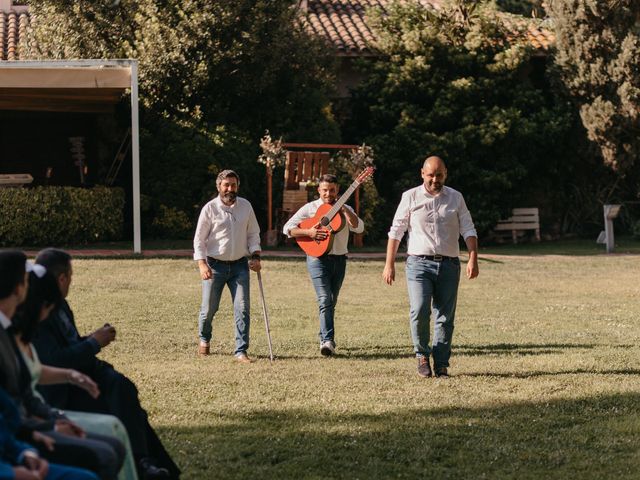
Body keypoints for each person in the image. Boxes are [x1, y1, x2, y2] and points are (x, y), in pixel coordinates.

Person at [32, 249, 180, 480]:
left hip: (85, 377)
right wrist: (93, 343)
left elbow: (70, 344)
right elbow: (54, 360)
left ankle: (147, 465)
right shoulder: (39, 314)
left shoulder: (61, 306)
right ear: (62, 279)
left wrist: (92, 339)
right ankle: (146, 465)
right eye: (70, 276)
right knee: (126, 408)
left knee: (125, 395)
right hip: (62, 391)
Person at [0, 251, 122, 480]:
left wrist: (49, 422)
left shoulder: (9, 332)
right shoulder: (10, 334)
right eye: (26, 282)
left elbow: (20, 399)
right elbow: (14, 406)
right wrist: (48, 427)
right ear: (19, 289)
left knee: (113, 441)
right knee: (103, 456)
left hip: (22, 436)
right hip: (19, 440)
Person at [382, 156, 479, 378]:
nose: (435, 179)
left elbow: (468, 229)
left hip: (449, 265)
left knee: (445, 316)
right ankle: (422, 355)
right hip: (418, 264)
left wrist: (473, 258)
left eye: (439, 175)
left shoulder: (456, 198)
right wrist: (389, 264)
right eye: (431, 175)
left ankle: (442, 364)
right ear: (422, 174)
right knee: (419, 309)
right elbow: (396, 232)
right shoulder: (410, 197)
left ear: (446, 173)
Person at [283, 173, 365, 356]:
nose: (329, 194)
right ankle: (327, 341)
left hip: (340, 260)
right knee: (325, 299)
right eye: (325, 190)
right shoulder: (310, 208)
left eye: (332, 190)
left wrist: (345, 209)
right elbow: (287, 228)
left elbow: (359, 227)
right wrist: (309, 232)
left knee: (331, 300)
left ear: (338, 190)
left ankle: (323, 334)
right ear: (319, 190)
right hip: (316, 259)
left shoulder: (346, 208)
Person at [193, 169, 262, 362]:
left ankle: (241, 350)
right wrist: (201, 264)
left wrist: (256, 255)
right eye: (226, 185)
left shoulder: (246, 207)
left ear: (237, 186)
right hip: (214, 265)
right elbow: (199, 240)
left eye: (233, 185)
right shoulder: (210, 209)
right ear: (219, 187)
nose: (230, 189)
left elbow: (253, 234)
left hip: (240, 266)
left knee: (242, 307)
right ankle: (204, 338)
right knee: (208, 309)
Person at [1, 385, 100, 480]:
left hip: (12, 458)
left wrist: (27, 454)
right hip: (7, 471)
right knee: (93, 455)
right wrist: (11, 473)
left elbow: (9, 434)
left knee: (85, 477)